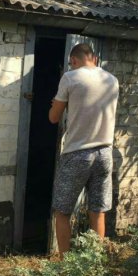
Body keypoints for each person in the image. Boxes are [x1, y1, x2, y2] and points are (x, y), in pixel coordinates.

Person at [48, 43, 119, 255]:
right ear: (95, 59)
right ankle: (94, 261)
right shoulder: (112, 80)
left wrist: (56, 104)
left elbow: (53, 118)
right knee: (98, 210)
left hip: (78, 153)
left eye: (71, 63)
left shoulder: (70, 77)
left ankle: (65, 262)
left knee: (62, 211)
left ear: (75, 60)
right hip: (105, 152)